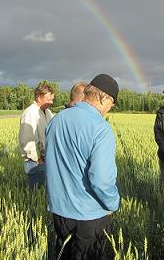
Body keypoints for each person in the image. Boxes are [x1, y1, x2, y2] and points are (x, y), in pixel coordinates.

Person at [45, 74, 120, 260]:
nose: (110, 109)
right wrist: (113, 203)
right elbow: (101, 180)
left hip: (59, 212)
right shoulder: (101, 129)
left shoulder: (56, 120)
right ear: (104, 98)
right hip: (88, 216)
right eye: (112, 103)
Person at [18, 83, 54, 188]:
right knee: (36, 194)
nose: (51, 102)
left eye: (52, 99)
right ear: (39, 98)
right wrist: (37, 159)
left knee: (43, 192)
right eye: (49, 100)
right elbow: (27, 139)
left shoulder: (47, 112)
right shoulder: (30, 113)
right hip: (35, 162)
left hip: (45, 159)